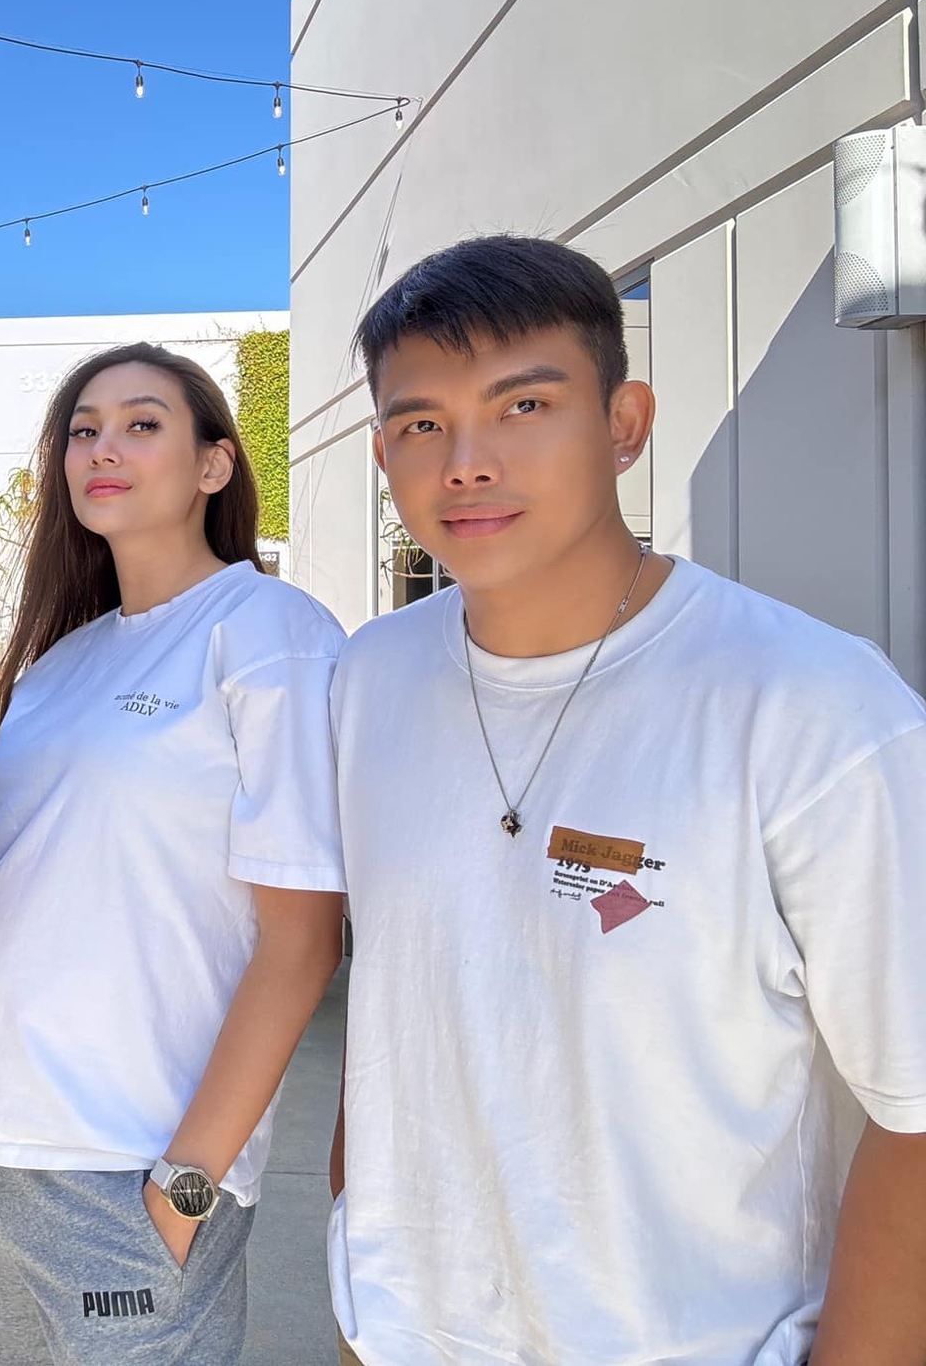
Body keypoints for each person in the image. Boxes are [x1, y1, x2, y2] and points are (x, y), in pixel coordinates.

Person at [328, 235, 926, 1365]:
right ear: (382, 454)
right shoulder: (367, 680)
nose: (466, 463)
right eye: (421, 424)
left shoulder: (813, 707)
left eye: (523, 406)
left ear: (624, 423)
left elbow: (917, 1112)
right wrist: (363, 1270)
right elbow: (402, 993)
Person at [0, 343, 349, 1366]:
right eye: (82, 431)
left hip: (134, 1170)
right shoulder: (58, 663)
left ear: (212, 464)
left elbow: (301, 941)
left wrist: (186, 1185)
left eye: (141, 424)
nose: (102, 448)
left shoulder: (269, 633)